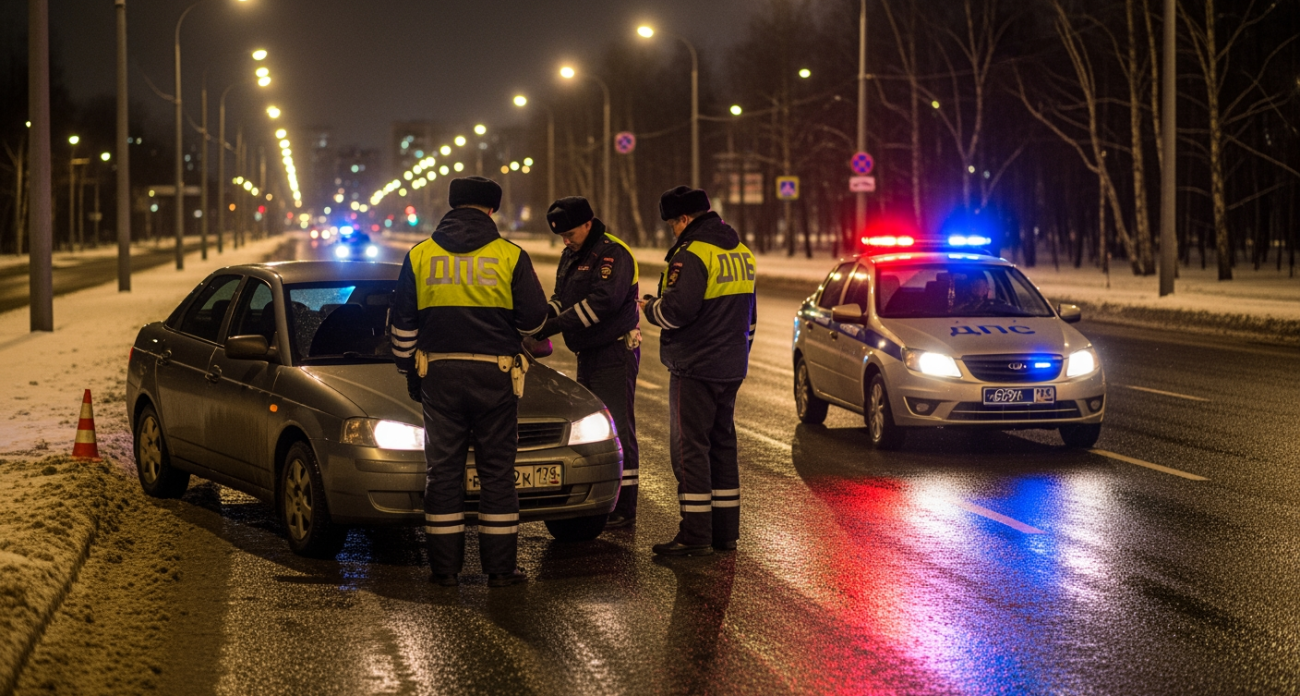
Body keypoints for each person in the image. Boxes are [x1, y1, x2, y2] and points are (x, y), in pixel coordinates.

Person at [389, 176, 548, 587]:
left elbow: (402, 326)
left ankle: (444, 569)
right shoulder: (510, 256)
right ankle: (499, 568)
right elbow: (534, 321)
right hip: (495, 376)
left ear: (451, 204)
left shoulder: (420, 255)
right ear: (492, 209)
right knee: (497, 472)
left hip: (438, 375)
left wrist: (410, 371)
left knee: (443, 472)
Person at [638, 186, 756, 556]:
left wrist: (649, 307)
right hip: (730, 365)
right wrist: (738, 352)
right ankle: (725, 532)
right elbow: (749, 318)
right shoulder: (741, 252)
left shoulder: (691, 256)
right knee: (722, 446)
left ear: (685, 219)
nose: (673, 231)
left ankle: (694, 533)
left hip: (694, 366)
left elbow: (676, 312)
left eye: (673, 223)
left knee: (690, 451)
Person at [536, 196, 642, 527]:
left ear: (587, 223)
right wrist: (540, 319)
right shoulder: (572, 255)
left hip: (613, 350)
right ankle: (600, 496)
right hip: (589, 351)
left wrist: (553, 326)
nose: (566, 241)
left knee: (618, 426)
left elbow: (602, 304)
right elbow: (561, 298)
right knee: (594, 426)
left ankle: (624, 505)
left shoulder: (613, 253)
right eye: (561, 236)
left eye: (570, 233)